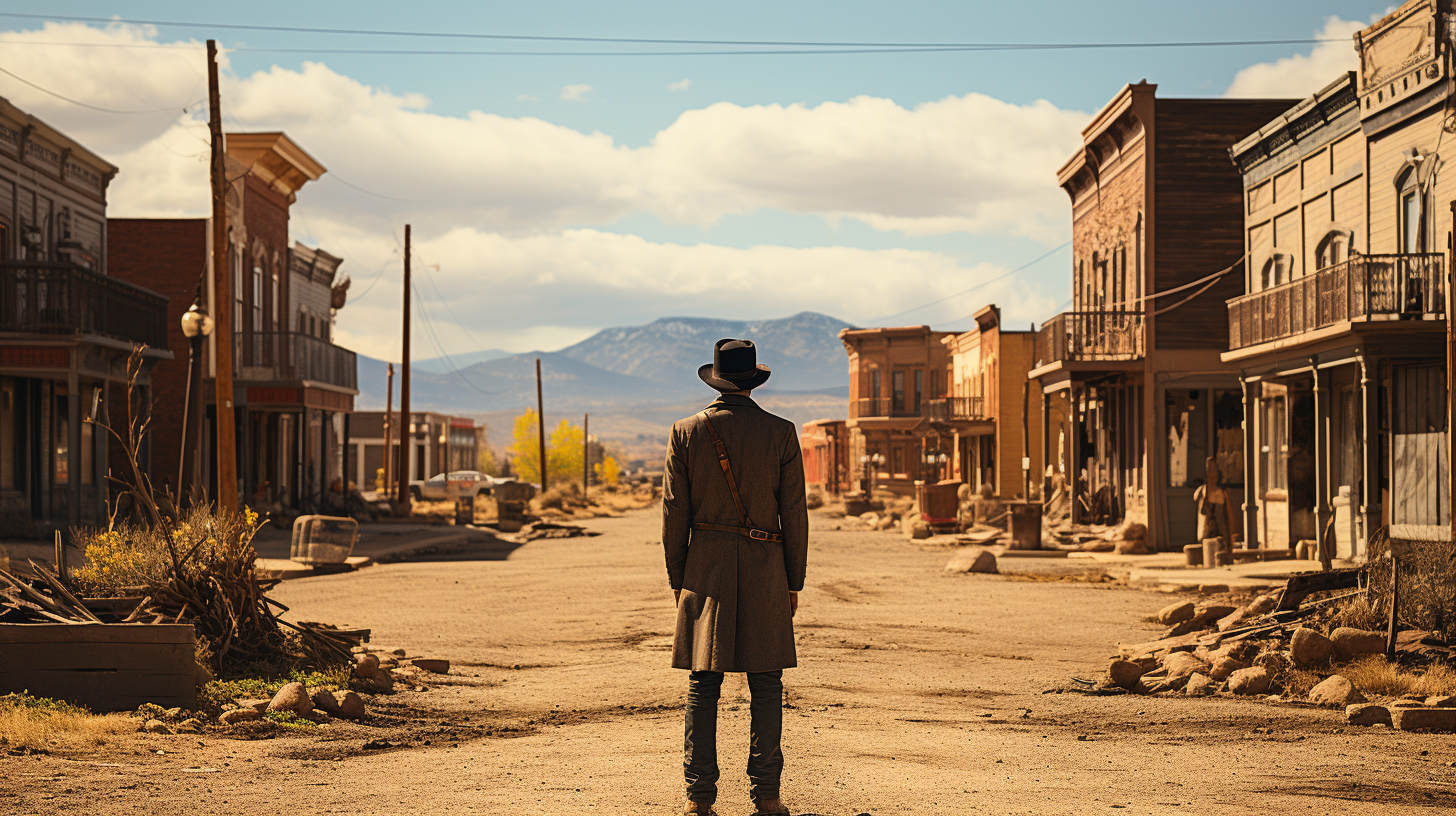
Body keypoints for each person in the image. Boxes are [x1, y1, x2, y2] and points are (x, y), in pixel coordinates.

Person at [662, 338, 810, 816]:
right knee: (766, 683)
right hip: (767, 564)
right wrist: (794, 580)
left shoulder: (685, 432)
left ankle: (698, 800)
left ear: (717, 380)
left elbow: (673, 514)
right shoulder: (782, 432)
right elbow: (795, 513)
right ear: (752, 382)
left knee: (704, 684)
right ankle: (767, 798)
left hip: (704, 567)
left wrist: (678, 578)